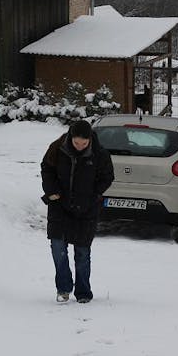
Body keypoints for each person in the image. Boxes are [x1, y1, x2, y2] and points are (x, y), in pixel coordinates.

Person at [40, 119, 114, 304]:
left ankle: (83, 292)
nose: (80, 146)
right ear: (71, 137)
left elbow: (107, 177)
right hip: (59, 205)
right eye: (76, 143)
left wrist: (93, 195)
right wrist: (51, 190)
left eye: (84, 143)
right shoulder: (57, 148)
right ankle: (64, 288)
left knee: (82, 252)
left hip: (86, 209)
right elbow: (47, 169)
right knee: (58, 248)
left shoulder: (100, 154)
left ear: (90, 139)